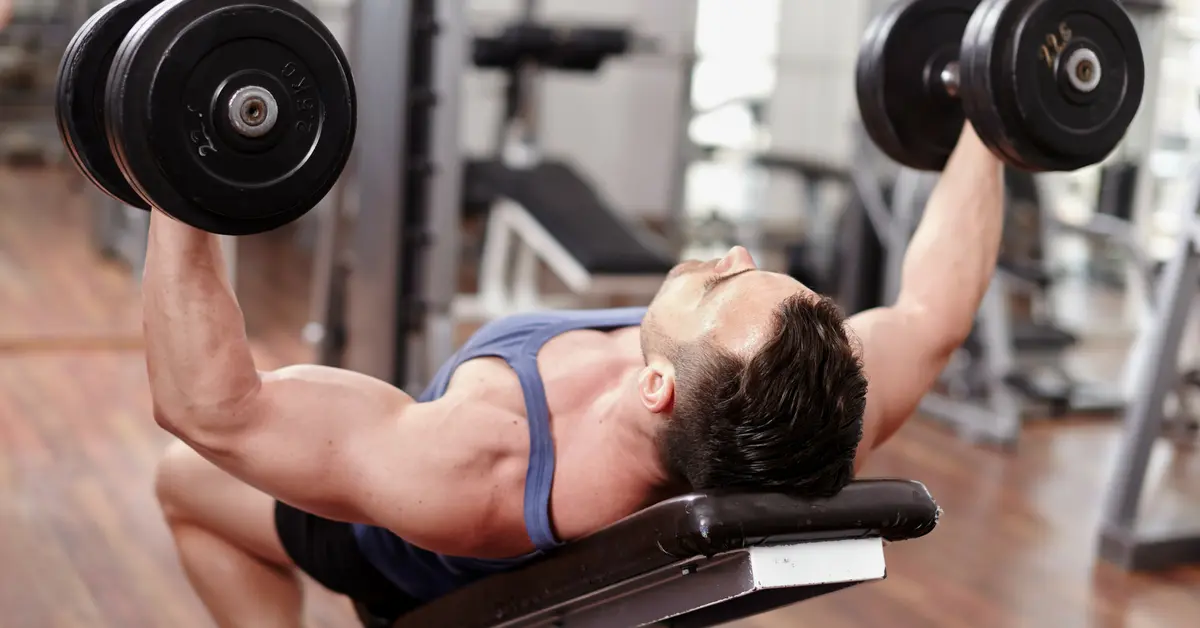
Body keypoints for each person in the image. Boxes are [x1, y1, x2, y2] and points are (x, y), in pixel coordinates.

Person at [151, 123, 1003, 627]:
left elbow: (211, 410)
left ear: (656, 386)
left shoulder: (482, 460)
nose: (736, 254)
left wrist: (176, 171)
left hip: (395, 561)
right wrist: (990, 117)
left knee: (181, 482)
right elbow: (934, 312)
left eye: (728, 284)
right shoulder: (805, 421)